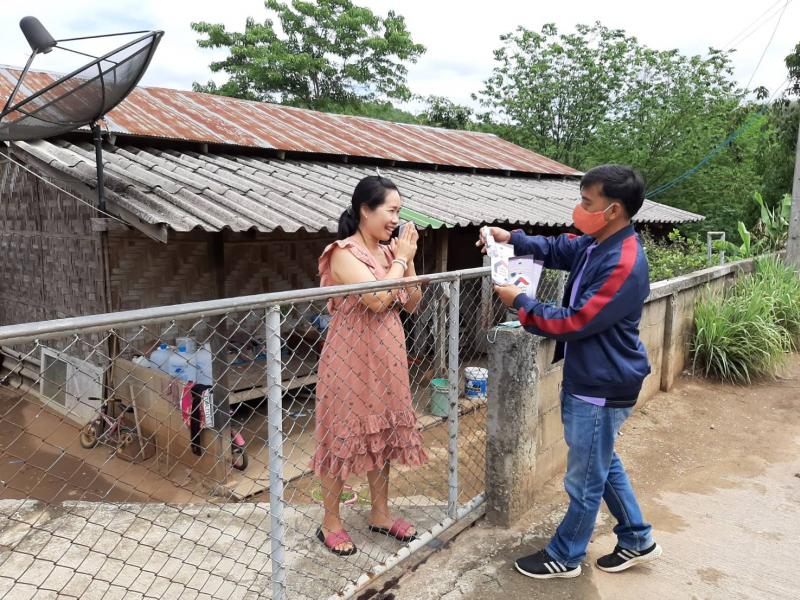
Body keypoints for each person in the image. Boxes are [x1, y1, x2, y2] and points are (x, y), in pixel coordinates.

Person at [478, 164, 661, 579]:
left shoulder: (623, 262)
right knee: (601, 463)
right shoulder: (599, 243)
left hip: (602, 383)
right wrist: (512, 239)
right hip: (595, 375)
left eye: (586, 202)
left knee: (584, 480)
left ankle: (566, 554)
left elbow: (575, 321)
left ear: (613, 210)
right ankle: (637, 537)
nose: (580, 208)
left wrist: (521, 302)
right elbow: (562, 248)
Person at [312, 175, 427, 556]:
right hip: (349, 359)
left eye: (399, 211)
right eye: (391, 211)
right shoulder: (342, 253)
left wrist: (407, 260)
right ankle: (331, 522)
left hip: (387, 356)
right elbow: (376, 299)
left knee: (384, 433)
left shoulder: (391, 253)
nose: (396, 219)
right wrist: (400, 260)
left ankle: (380, 513)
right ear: (365, 210)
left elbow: (412, 302)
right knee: (341, 435)